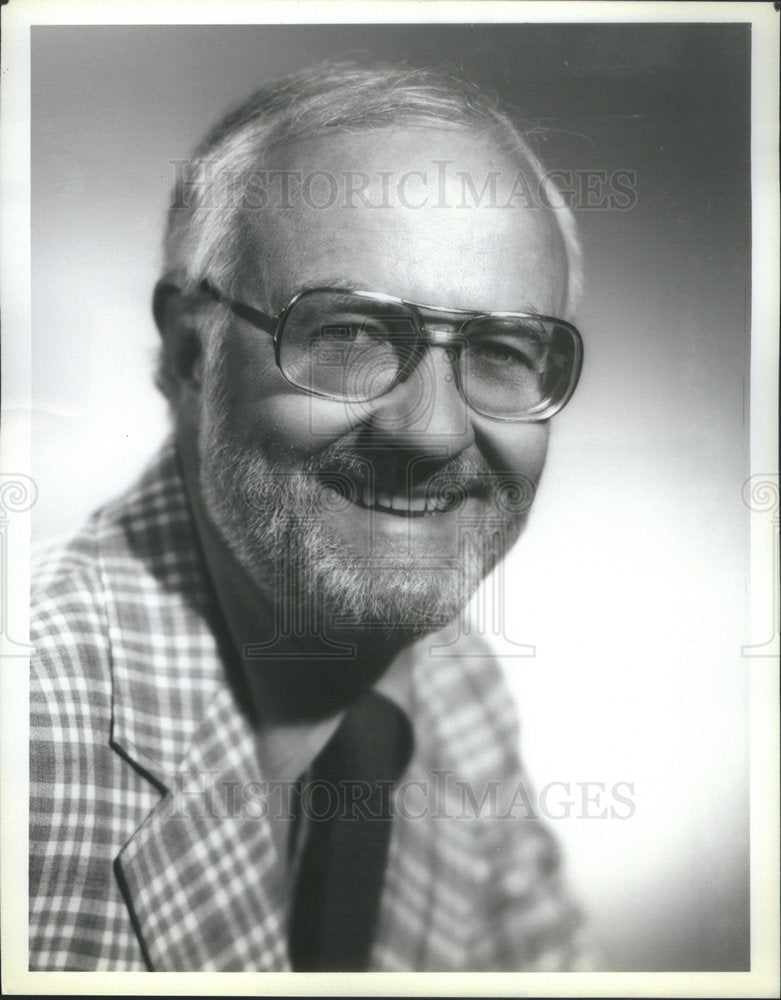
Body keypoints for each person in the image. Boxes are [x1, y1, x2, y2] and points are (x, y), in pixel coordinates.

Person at [29, 61, 592, 972]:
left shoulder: (454, 688)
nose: (435, 430)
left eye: (499, 349)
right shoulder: (33, 735)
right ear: (187, 353)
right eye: (350, 336)